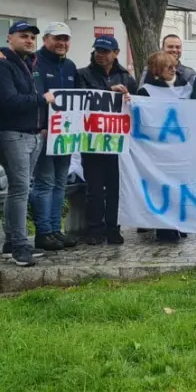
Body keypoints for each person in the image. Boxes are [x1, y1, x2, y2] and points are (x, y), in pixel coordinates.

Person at [0, 20, 50, 267]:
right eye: (23, 36)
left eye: (32, 37)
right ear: (9, 38)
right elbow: (7, 101)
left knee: (20, 189)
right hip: (12, 135)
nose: (29, 40)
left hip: (32, 134)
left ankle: (12, 241)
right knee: (21, 190)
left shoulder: (30, 64)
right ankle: (20, 246)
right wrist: (41, 99)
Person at [76, 35, 137, 246]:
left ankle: (113, 227)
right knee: (94, 188)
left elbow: (136, 104)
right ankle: (95, 228)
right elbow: (80, 98)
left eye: (105, 51)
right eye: (97, 50)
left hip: (117, 142)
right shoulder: (82, 74)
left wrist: (130, 99)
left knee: (115, 188)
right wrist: (108, 92)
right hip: (92, 141)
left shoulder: (126, 77)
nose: (100, 55)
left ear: (116, 53)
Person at [135, 52, 196, 243]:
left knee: (179, 185)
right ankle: (164, 227)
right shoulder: (146, 91)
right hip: (159, 148)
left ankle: (178, 223)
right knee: (161, 186)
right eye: (168, 67)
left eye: (174, 67)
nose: (173, 70)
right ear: (156, 71)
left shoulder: (185, 87)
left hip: (181, 146)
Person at [28, 22, 79, 252]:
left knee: (60, 183)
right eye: (57, 38)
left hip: (64, 135)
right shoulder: (34, 62)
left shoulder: (69, 66)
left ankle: (55, 229)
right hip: (44, 133)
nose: (61, 43)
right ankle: (43, 232)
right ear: (45, 39)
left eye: (65, 39)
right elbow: (36, 97)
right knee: (45, 182)